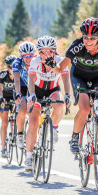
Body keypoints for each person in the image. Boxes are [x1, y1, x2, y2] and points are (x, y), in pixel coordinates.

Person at [52, 17, 98, 156]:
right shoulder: (77, 46)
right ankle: (75, 137)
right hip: (79, 77)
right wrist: (52, 65)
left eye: (93, 38)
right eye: (85, 37)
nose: (88, 41)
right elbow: (60, 69)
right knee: (84, 108)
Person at [24, 36, 71, 171]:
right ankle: (29, 156)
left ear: (54, 51)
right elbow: (31, 78)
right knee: (33, 122)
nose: (46, 54)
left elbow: (66, 78)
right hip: (36, 91)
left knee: (60, 103)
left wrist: (68, 95)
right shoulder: (35, 61)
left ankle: (54, 128)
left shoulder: (60, 61)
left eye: (49, 51)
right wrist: (32, 95)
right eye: (42, 51)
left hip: (52, 90)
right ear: (39, 52)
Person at [12, 41, 36, 151]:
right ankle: (20, 134)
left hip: (34, 87)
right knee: (22, 109)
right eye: (25, 56)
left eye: (31, 56)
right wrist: (18, 94)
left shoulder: (37, 62)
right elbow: (16, 80)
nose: (28, 59)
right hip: (21, 87)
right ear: (21, 56)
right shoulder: (17, 63)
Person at [0, 55, 17, 157]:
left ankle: (15, 131)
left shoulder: (19, 74)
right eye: (10, 66)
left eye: (14, 66)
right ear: (7, 67)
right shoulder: (2, 75)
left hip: (15, 98)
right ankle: (3, 148)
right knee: (4, 122)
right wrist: (1, 98)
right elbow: (0, 88)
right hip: (5, 99)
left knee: (18, 117)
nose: (12, 68)